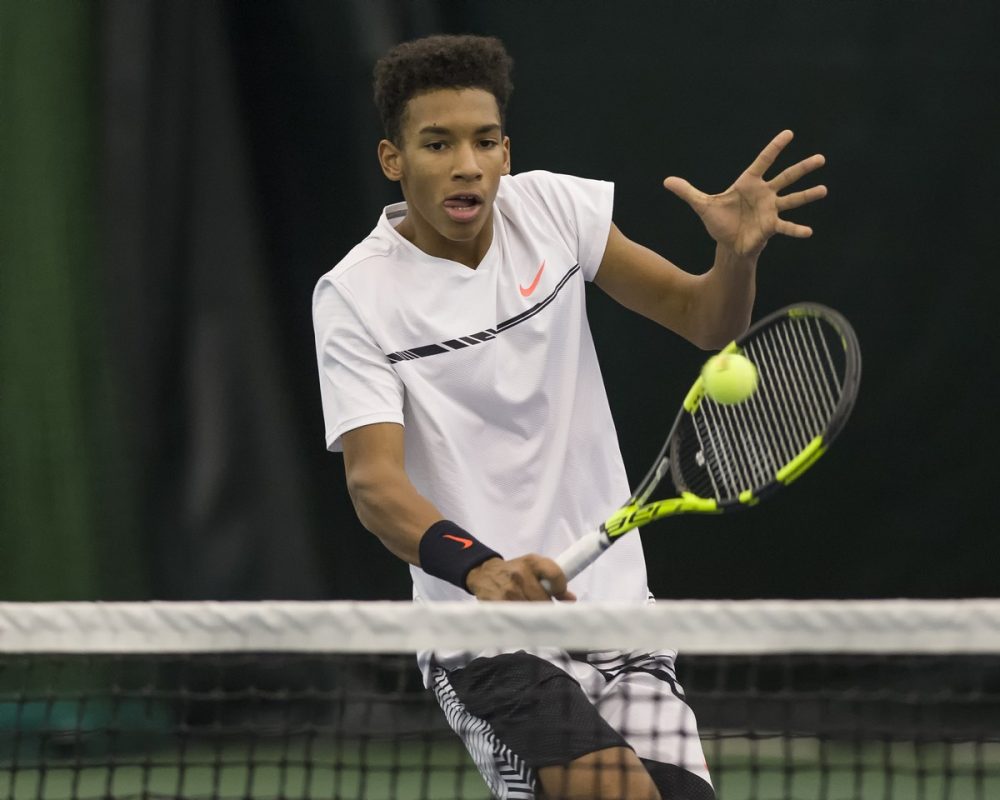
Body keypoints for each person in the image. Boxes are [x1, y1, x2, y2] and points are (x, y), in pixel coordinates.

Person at [313, 34, 826, 800]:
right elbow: (375, 486)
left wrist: (737, 260)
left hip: (620, 617)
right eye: (438, 143)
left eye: (485, 141)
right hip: (483, 636)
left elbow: (705, 321)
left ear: (507, 150)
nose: (467, 164)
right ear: (394, 159)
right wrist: (482, 568)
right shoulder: (355, 296)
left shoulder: (554, 210)